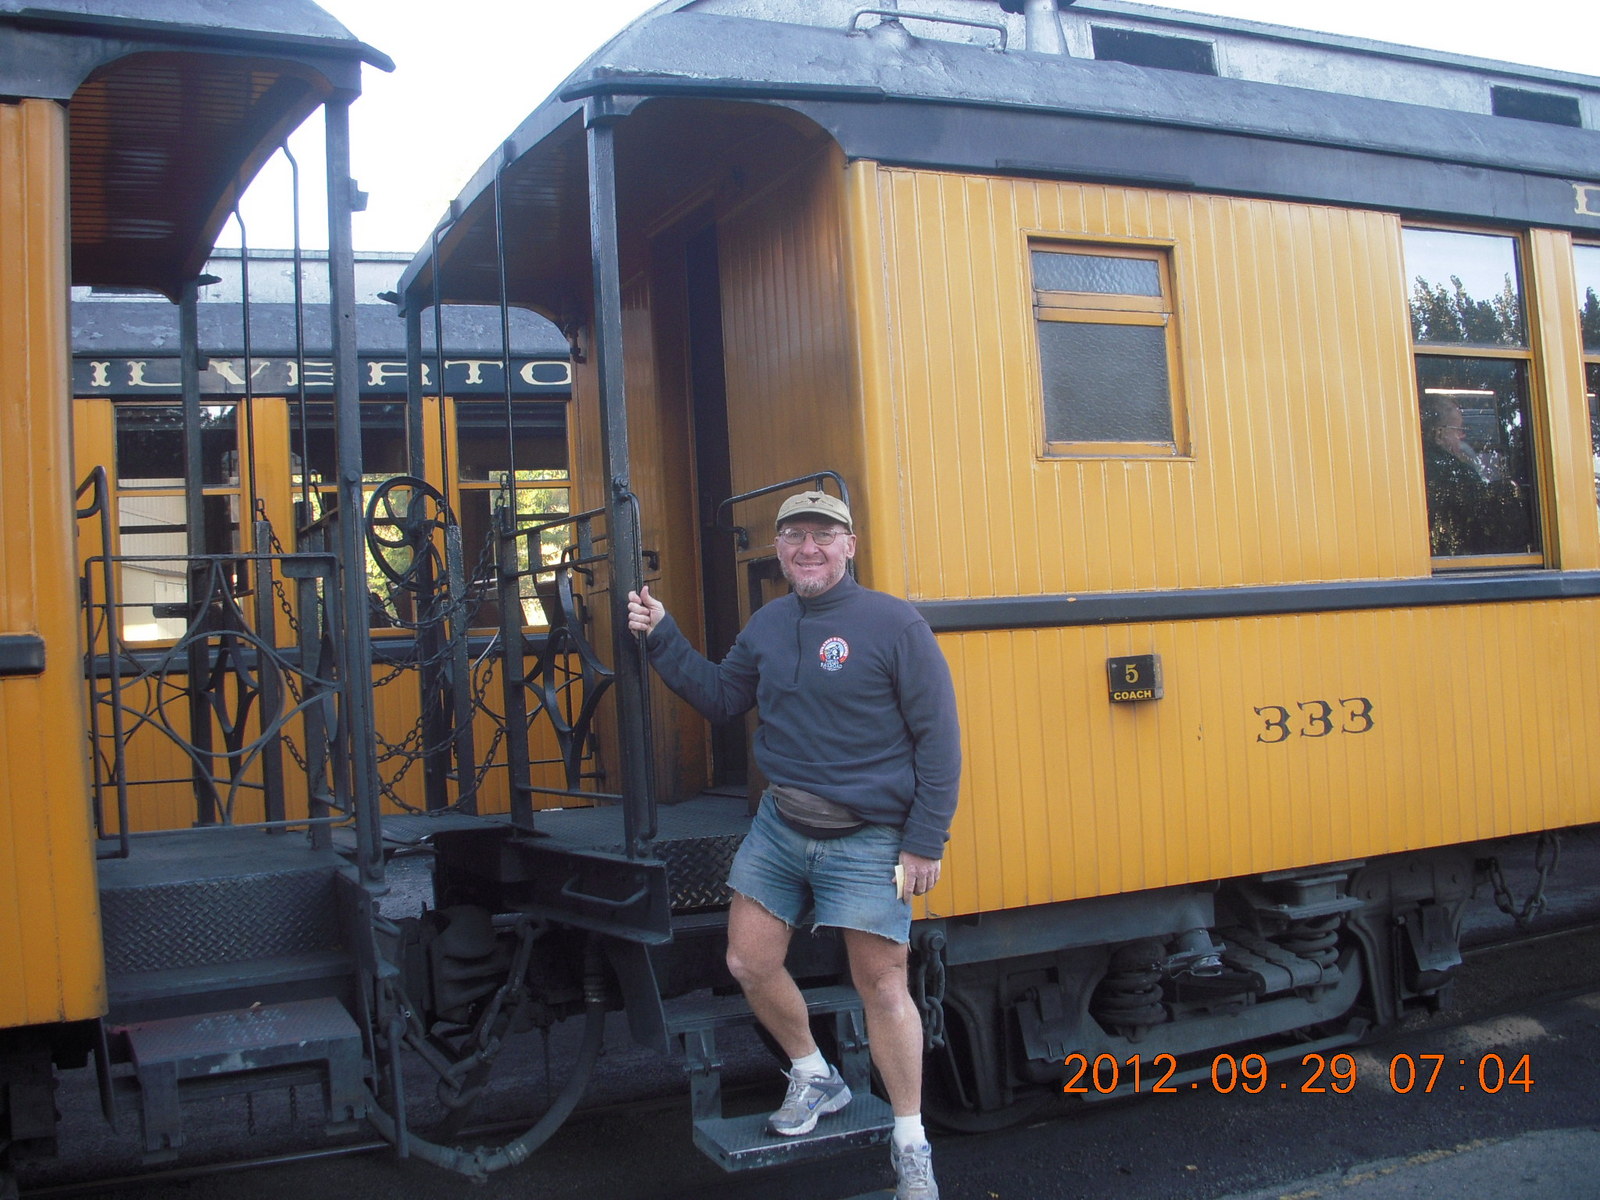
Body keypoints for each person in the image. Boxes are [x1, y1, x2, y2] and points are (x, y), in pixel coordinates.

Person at [627, 490, 960, 1200]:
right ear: (778, 549)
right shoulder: (769, 625)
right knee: (747, 961)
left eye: (823, 535)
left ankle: (911, 1143)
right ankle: (814, 1074)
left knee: (883, 987)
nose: (809, 548)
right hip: (780, 827)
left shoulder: (893, 624)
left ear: (850, 545)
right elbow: (722, 697)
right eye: (794, 536)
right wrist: (663, 634)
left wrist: (924, 841)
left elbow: (939, 740)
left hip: (870, 834)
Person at [1418, 394, 1522, 557]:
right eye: (1458, 430)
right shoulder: (1451, 469)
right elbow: (1479, 508)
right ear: (1439, 435)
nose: (1462, 436)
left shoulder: (1417, 462)